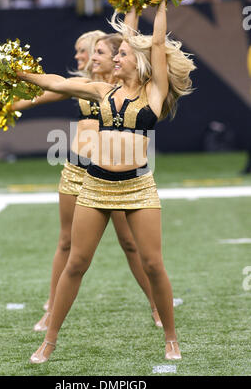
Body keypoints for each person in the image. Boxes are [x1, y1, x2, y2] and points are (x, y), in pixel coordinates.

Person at [17, 0, 196, 363]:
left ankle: (171, 337)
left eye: (123, 53)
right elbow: (58, 82)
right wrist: (19, 74)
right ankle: (49, 341)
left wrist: (160, 3)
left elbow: (158, 44)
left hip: (138, 188)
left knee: (152, 264)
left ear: (138, 61)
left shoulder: (154, 92)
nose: (116, 58)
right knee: (77, 263)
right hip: (95, 187)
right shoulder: (102, 92)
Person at [12, 25, 163, 334]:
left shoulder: (127, 89)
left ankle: (156, 306)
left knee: (131, 244)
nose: (89, 57)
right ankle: (51, 309)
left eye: (96, 51)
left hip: (111, 172)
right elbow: (47, 90)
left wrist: (144, 4)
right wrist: (2, 103)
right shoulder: (88, 84)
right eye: (88, 52)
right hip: (78, 168)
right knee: (68, 243)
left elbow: (132, 37)